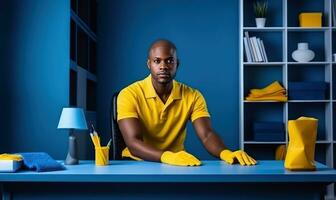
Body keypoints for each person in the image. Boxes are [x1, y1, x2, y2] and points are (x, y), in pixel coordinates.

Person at [117, 39, 257, 166]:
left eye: (169, 61)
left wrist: (225, 153)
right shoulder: (129, 94)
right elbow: (133, 143)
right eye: (157, 61)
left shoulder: (193, 96)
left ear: (177, 64)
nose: (163, 66)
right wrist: (167, 156)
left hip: (177, 164)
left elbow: (207, 134)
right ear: (149, 64)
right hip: (136, 163)